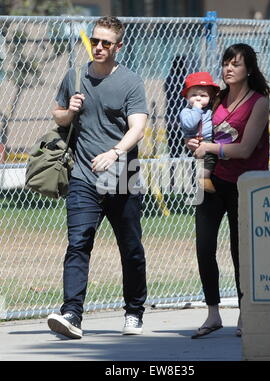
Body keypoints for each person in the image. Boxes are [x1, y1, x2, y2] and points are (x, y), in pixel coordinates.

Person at [47, 16, 148, 339]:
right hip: (83, 177)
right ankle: (71, 314)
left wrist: (115, 153)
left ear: (119, 46)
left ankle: (134, 312)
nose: (99, 47)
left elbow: (138, 127)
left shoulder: (131, 82)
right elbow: (59, 115)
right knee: (78, 243)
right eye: (95, 41)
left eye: (106, 42)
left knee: (130, 248)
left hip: (122, 176)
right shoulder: (74, 76)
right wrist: (71, 109)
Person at [186, 43, 270, 338]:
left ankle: (246, 314)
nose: (229, 68)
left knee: (241, 252)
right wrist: (196, 142)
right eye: (225, 63)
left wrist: (210, 147)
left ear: (249, 69)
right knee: (204, 247)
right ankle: (213, 314)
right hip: (212, 182)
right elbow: (202, 128)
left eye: (236, 63)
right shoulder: (217, 98)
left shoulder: (258, 102)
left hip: (245, 184)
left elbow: (246, 149)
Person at [179, 72, 220, 193]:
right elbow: (190, 124)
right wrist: (197, 109)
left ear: (210, 97)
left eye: (203, 95)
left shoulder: (211, 109)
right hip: (198, 142)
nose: (198, 98)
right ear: (187, 97)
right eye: (194, 95)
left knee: (214, 162)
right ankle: (203, 179)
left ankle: (209, 180)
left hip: (212, 141)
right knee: (209, 160)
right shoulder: (186, 112)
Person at [164, 56, 187, 157]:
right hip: (187, 121)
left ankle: (172, 171)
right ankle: (193, 172)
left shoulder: (169, 79)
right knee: (190, 154)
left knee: (173, 154)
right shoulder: (186, 80)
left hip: (172, 121)